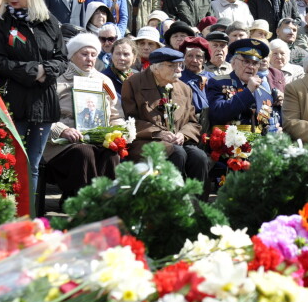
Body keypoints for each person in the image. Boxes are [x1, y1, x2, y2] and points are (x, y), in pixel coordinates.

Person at [0, 0, 68, 191]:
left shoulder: (49, 21)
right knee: (11, 162)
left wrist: (46, 70)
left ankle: (28, 218)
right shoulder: (3, 23)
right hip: (16, 102)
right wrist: (34, 70)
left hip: (44, 102)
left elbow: (62, 58)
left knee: (32, 164)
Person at [43, 33, 125, 202]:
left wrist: (117, 132)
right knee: (84, 152)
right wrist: (62, 130)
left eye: (94, 55)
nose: (90, 59)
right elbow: (42, 116)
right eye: (84, 54)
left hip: (98, 139)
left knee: (111, 153)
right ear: (72, 55)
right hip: (63, 144)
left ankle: (108, 204)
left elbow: (116, 115)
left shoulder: (104, 81)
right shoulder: (56, 80)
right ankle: (80, 203)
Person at [122, 47, 209, 195]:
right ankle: (172, 204)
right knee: (177, 153)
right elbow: (129, 120)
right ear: (156, 68)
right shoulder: (133, 83)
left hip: (177, 140)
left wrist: (183, 134)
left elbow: (193, 122)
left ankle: (197, 206)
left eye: (179, 65)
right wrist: (158, 133)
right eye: (171, 65)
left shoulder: (184, 88)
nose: (178, 69)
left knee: (199, 157)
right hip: (146, 141)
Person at [206, 39, 276, 133]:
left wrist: (272, 130)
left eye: (255, 63)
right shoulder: (218, 82)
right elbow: (218, 113)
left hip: (258, 144)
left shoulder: (264, 91)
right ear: (233, 63)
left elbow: (266, 123)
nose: (251, 66)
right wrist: (248, 91)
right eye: (246, 61)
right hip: (227, 142)